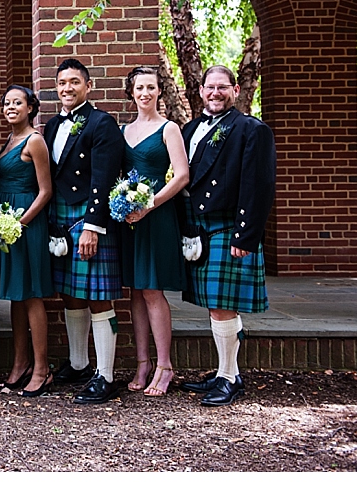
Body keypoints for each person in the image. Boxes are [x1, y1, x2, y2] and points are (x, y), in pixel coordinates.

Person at [178, 65, 276, 407]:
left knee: (223, 305)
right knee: (214, 304)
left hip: (229, 226)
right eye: (210, 87)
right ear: (201, 91)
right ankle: (223, 372)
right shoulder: (190, 129)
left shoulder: (250, 129)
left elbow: (258, 186)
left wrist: (245, 236)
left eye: (223, 87)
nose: (215, 93)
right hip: (199, 226)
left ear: (235, 90)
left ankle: (230, 377)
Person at [43, 58, 125, 405]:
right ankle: (78, 363)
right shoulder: (50, 125)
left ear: (87, 86)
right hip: (61, 217)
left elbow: (103, 177)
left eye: (74, 82)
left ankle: (105, 375)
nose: (67, 88)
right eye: (62, 82)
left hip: (87, 218)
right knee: (70, 292)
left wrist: (93, 226)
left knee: (97, 295)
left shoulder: (102, 123)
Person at [118, 67, 190, 397]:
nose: (145, 92)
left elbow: (181, 176)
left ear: (159, 91)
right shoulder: (124, 130)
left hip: (157, 215)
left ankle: (165, 365)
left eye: (151, 87)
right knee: (135, 290)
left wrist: (150, 204)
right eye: (139, 87)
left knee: (152, 290)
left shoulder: (168, 128)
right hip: (130, 218)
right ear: (130, 92)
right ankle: (143, 363)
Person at [0, 85, 55, 397]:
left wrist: (19, 223)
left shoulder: (35, 141)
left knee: (31, 295)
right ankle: (20, 363)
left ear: (31, 107)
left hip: (27, 223)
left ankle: (42, 369)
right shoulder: (9, 140)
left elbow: (45, 191)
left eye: (17, 103)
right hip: (6, 222)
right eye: (6, 103)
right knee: (16, 295)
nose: (10, 107)